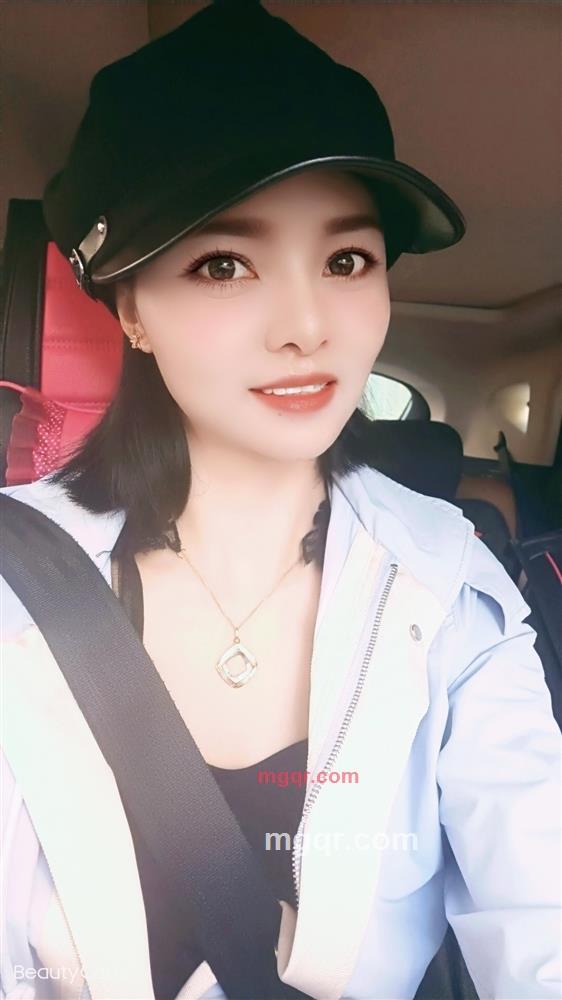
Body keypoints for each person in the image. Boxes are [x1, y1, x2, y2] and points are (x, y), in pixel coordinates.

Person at [1, 2, 560, 999]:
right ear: (131, 307)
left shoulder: (449, 589)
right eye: (224, 263)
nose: (307, 325)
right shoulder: (14, 585)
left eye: (346, 260)